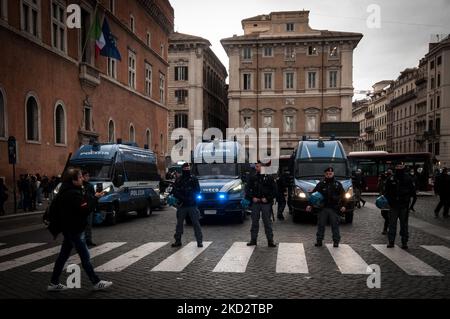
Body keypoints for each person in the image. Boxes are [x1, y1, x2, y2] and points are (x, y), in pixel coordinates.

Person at [48, 167, 112, 292]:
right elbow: (85, 208)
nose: (82, 179)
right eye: (80, 177)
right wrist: (95, 198)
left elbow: (81, 204)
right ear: (74, 180)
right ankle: (96, 282)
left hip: (69, 229)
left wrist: (93, 196)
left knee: (63, 256)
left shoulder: (68, 190)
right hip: (74, 229)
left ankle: (53, 283)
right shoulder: (72, 193)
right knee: (85, 256)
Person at [306, 166, 346, 248]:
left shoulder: (338, 184)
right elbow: (314, 195)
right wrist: (310, 205)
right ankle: (319, 240)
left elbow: (343, 196)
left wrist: (343, 205)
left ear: (333, 174)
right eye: (327, 174)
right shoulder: (320, 184)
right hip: (322, 208)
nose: (329, 175)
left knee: (335, 225)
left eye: (330, 173)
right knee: (321, 225)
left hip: (334, 208)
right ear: (325, 174)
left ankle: (336, 241)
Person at [170, 162, 203, 248]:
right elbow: (175, 191)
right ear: (183, 169)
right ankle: (178, 240)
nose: (187, 170)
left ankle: (199, 241)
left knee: (196, 223)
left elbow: (197, 191)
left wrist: (191, 198)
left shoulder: (194, 179)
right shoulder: (179, 179)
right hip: (182, 205)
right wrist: (182, 198)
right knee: (179, 224)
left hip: (192, 204)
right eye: (185, 169)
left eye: (188, 169)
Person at [384, 162, 415, 249]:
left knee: (404, 225)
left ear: (403, 167)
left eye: (400, 166)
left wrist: (407, 200)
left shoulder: (408, 178)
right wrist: (390, 201)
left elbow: (412, 191)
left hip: (403, 205)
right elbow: (386, 191)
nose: (399, 167)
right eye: (397, 166)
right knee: (392, 224)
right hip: (393, 205)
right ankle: (391, 241)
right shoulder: (391, 178)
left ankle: (404, 242)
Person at [245, 161, 277, 247]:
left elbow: (274, 191)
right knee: (254, 222)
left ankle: (270, 241)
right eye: (256, 166)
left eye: (258, 167)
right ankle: (253, 240)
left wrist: (267, 198)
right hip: (256, 203)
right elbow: (247, 189)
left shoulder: (269, 178)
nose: (256, 168)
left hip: (265, 203)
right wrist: (252, 198)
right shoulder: (253, 177)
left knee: (267, 222)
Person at [82, 171, 105, 247]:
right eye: (86, 176)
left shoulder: (90, 185)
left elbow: (93, 196)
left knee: (88, 225)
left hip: (89, 207)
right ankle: (81, 240)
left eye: (88, 176)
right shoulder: (79, 186)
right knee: (82, 225)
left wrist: (96, 204)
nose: (88, 177)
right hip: (82, 208)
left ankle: (88, 240)